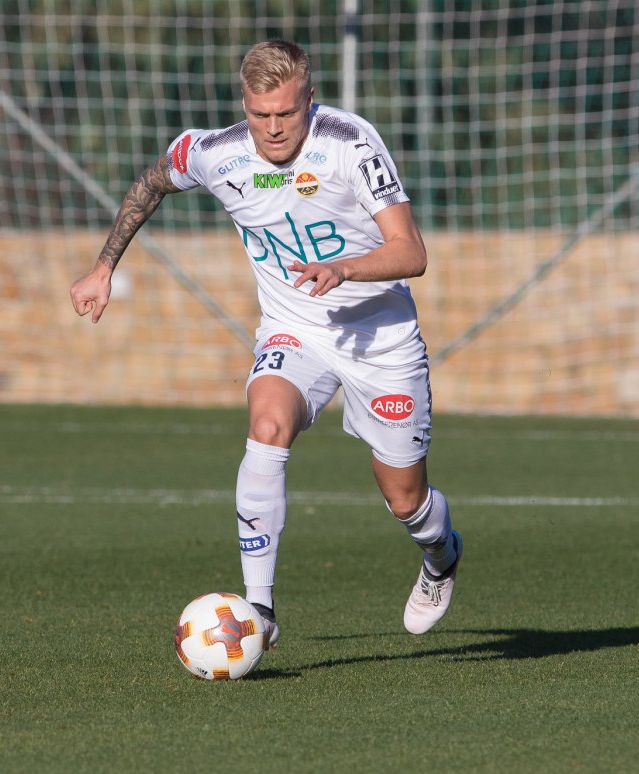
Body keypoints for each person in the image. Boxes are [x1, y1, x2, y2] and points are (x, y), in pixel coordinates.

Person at [70, 39, 461, 647]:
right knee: (267, 424)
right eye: (260, 114)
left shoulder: (351, 143)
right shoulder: (216, 152)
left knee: (405, 499)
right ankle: (260, 610)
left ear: (310, 99)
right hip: (294, 328)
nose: (274, 128)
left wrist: (344, 269)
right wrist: (104, 266)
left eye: (286, 112)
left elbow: (412, 252)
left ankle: (441, 555)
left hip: (379, 340)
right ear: (244, 105)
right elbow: (153, 181)